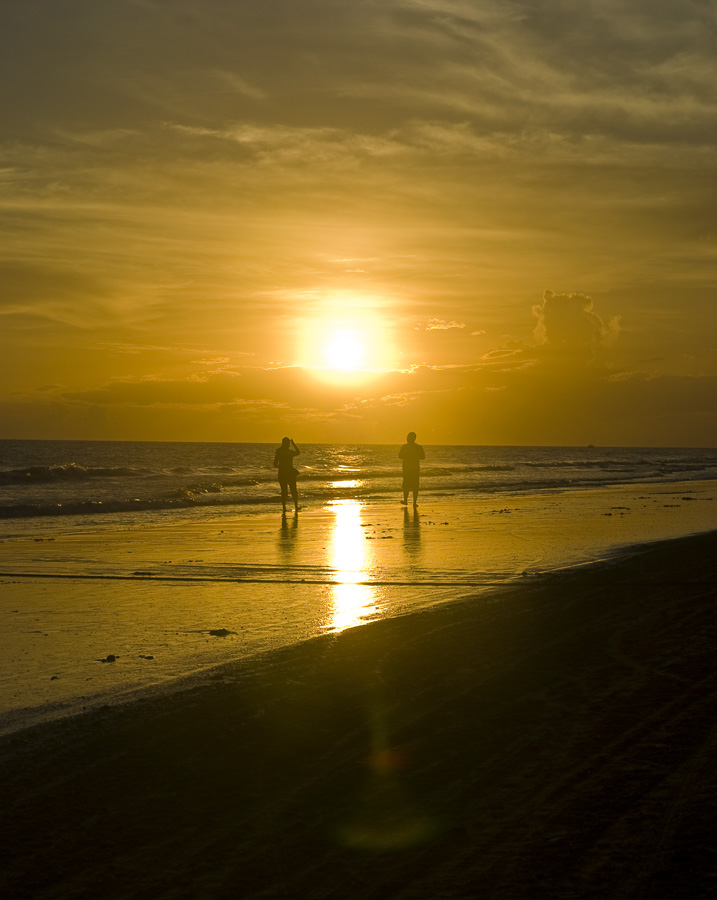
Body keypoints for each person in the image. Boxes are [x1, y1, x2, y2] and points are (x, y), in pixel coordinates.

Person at [274, 437, 300, 513]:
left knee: (284, 491)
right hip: (288, 473)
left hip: (282, 473)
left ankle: (284, 507)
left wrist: (281, 467)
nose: (288, 445)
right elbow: (298, 452)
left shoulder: (279, 452)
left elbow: (275, 464)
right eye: (288, 443)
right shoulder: (289, 452)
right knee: (293, 490)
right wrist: (294, 444)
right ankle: (295, 506)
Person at [398, 431, 425, 506]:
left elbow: (400, 456)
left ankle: (406, 501)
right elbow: (423, 457)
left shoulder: (404, 447)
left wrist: (407, 456)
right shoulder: (418, 447)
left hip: (407, 469)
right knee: (415, 486)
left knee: (406, 485)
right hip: (415, 469)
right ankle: (414, 502)